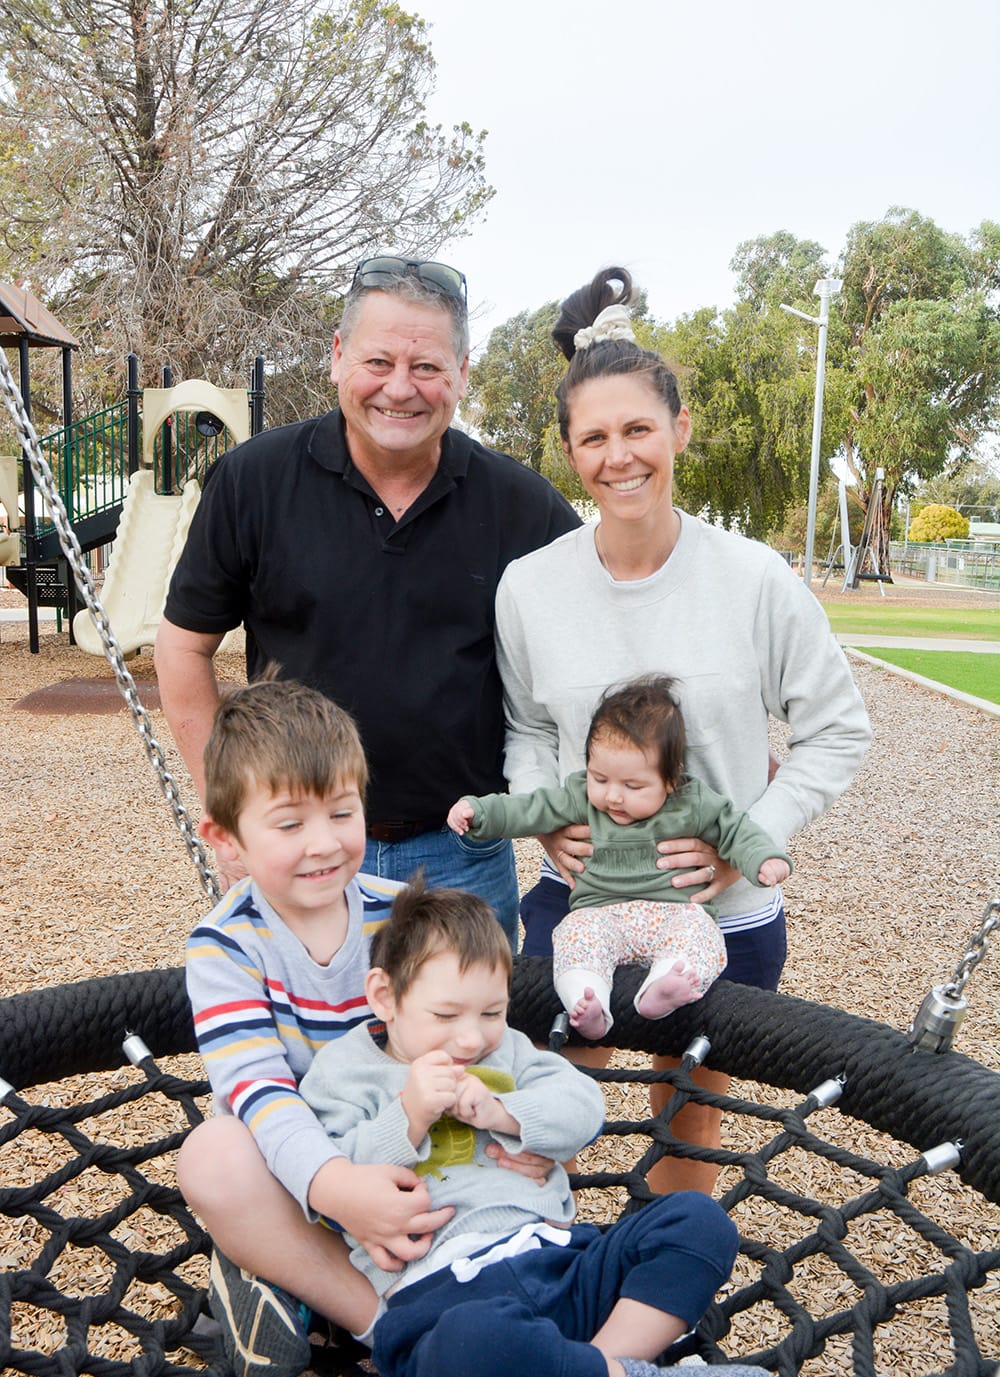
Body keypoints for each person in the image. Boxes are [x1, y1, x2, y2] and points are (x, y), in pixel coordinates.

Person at [494, 266, 872, 1191]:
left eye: (638, 430)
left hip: (723, 915)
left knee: (688, 1120)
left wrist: (752, 843)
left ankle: (664, 1310)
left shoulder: (754, 580)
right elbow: (526, 727)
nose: (619, 456)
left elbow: (837, 730)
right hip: (576, 903)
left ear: (679, 431)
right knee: (543, 1108)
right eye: (595, 438)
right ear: (569, 454)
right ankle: (527, 1266)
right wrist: (542, 815)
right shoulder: (530, 587)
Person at [299, 877, 783, 1377]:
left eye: (491, 1012)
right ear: (385, 997)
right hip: (441, 1301)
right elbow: (331, 1184)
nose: (472, 1038)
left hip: (558, 1262)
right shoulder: (341, 1075)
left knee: (695, 1221)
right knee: (475, 1349)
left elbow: (583, 1106)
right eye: (445, 1015)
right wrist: (408, 1117)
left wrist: (507, 1113)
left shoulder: (510, 1054)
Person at [154, 255, 580, 947]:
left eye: (428, 368)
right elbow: (183, 646)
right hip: (299, 842)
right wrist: (233, 810)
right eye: (378, 361)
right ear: (337, 357)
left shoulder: (522, 506)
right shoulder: (252, 482)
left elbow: (600, 639)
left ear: (462, 373)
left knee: (462, 1053)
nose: (401, 389)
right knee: (301, 1051)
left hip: (460, 852)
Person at [176, 675, 544, 1377]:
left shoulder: (404, 917)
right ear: (226, 839)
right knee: (212, 1155)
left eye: (342, 813)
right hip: (301, 1173)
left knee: (497, 1216)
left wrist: (515, 1123)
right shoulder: (225, 948)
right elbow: (258, 1095)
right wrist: (336, 1186)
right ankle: (379, 1321)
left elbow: (474, 1036)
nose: (323, 844)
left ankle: (291, 1283)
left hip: (406, 1148)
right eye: (289, 825)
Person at [448, 675, 791, 1040]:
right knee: (575, 937)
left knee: (700, 933)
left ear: (671, 780)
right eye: (600, 778)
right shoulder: (579, 796)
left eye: (633, 786)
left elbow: (736, 830)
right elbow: (528, 808)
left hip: (673, 912)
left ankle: (665, 984)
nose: (613, 796)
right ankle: (586, 998)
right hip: (601, 913)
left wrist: (763, 859)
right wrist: (480, 812)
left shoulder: (692, 802)